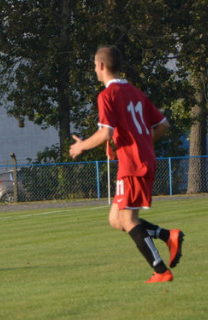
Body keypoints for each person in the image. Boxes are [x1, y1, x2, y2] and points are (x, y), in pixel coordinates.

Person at [69, 46, 185, 283]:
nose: (94, 69)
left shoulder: (107, 95)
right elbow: (163, 125)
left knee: (129, 221)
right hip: (139, 160)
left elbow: (106, 133)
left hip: (133, 164)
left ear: (101, 66)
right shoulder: (136, 92)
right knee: (116, 219)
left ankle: (161, 270)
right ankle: (167, 235)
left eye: (94, 65)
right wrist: (140, 141)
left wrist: (81, 146)